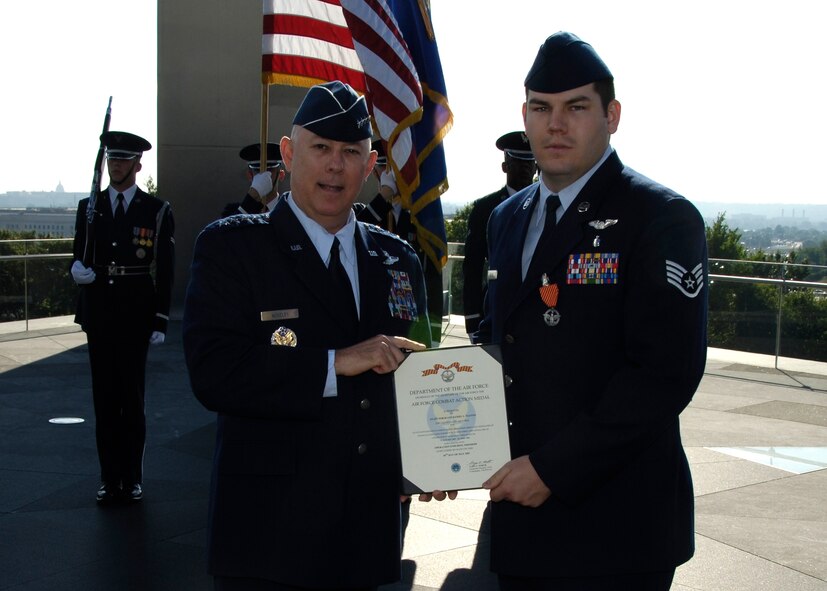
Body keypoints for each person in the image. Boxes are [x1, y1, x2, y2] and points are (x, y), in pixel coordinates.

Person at [183, 80, 452, 591]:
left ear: (371, 165)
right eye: (321, 148)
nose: (335, 165)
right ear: (288, 153)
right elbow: (213, 373)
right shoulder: (234, 250)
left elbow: (418, 377)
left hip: (368, 533)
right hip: (270, 537)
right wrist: (333, 362)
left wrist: (434, 455)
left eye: (351, 152)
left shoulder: (398, 258)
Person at [478, 32, 708, 590]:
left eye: (576, 107)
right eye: (541, 108)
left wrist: (553, 470)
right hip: (522, 521)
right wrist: (447, 439)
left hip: (617, 529)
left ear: (612, 115)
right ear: (525, 116)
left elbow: (663, 374)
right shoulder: (507, 219)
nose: (556, 124)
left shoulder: (661, 217)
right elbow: (499, 339)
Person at [70, 130, 175, 505]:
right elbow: (78, 252)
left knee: (131, 400)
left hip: (134, 313)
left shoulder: (155, 210)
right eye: (112, 159)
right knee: (104, 398)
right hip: (99, 312)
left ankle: (131, 477)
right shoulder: (90, 207)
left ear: (137, 164)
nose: (116, 165)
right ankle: (108, 477)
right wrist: (76, 270)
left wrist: (160, 318)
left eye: (123, 159)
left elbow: (164, 267)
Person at [355, 140, 444, 343]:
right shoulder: (365, 212)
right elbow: (353, 233)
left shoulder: (421, 220)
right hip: (369, 324)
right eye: (384, 166)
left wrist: (435, 333)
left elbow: (432, 275)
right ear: (375, 171)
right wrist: (384, 196)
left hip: (409, 326)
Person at [462, 131, 536, 336]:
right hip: (497, 311)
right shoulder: (486, 208)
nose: (525, 169)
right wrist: (472, 318)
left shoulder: (550, 205)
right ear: (505, 167)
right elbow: (473, 267)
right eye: (518, 163)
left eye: (530, 163)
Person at [220, 142, 285, 217]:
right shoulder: (234, 211)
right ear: (250, 176)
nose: (263, 175)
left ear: (281, 175)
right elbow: (227, 227)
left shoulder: (290, 211)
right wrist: (250, 198)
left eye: (269, 169)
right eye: (257, 170)